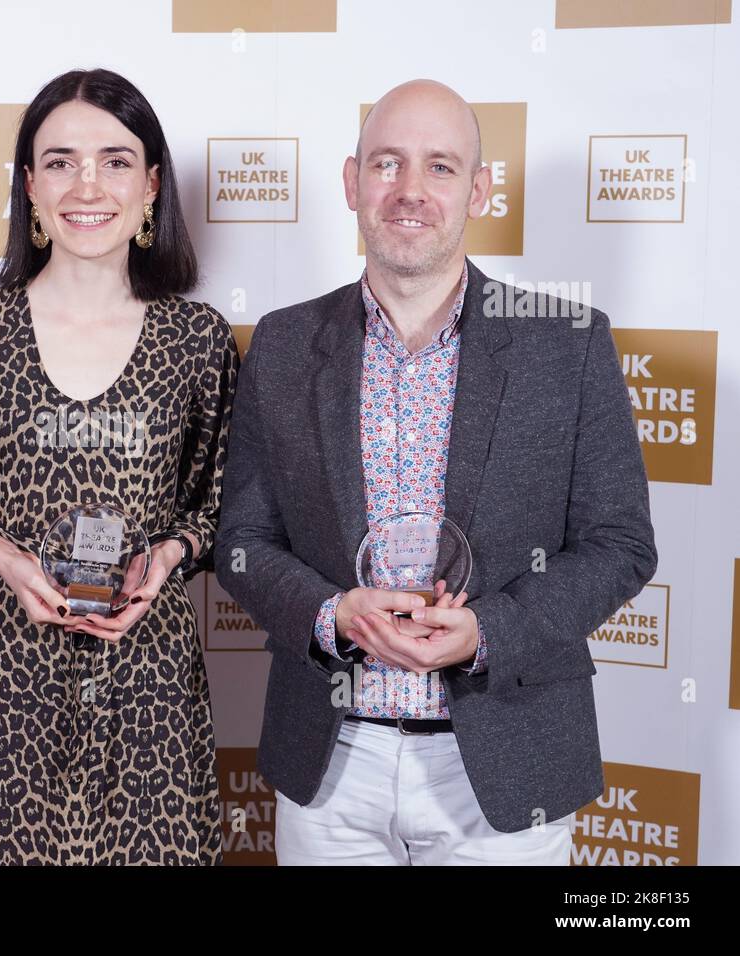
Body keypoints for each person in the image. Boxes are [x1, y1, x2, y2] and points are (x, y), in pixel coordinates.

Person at [215, 79, 657, 865]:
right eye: (388, 164)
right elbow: (244, 538)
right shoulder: (282, 345)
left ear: (481, 191)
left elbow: (620, 544)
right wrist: (332, 615)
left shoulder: (568, 343)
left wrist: (491, 631)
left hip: (504, 762)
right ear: (352, 182)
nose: (410, 191)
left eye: (441, 168)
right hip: (331, 767)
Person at [0, 69, 239, 865]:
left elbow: (221, 506)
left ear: (152, 183)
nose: (88, 185)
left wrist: (168, 558)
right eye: (59, 162)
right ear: (28, 185)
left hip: (151, 678)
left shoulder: (198, 339)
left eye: (116, 161)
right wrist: (3, 557)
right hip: (12, 675)